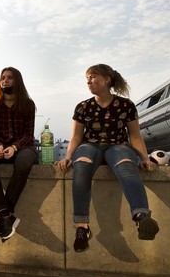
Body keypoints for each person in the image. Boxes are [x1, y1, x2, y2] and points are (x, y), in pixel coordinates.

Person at [55, 64, 160, 252]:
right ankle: (82, 227)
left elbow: (135, 135)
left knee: (127, 166)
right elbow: (76, 137)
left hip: (117, 146)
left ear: (107, 80)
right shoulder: (83, 107)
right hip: (90, 146)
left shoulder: (126, 105)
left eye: (93, 76)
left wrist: (144, 157)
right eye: (87, 78)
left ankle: (141, 217)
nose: (88, 81)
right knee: (81, 166)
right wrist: (69, 156)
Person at [0, 67, 37, 241]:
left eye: (10, 78)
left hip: (23, 148)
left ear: (17, 81)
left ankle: (4, 214)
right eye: (2, 78)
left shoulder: (28, 105)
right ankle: (5, 213)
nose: (4, 81)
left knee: (24, 161)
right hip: (1, 148)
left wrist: (14, 147)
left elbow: (28, 135)